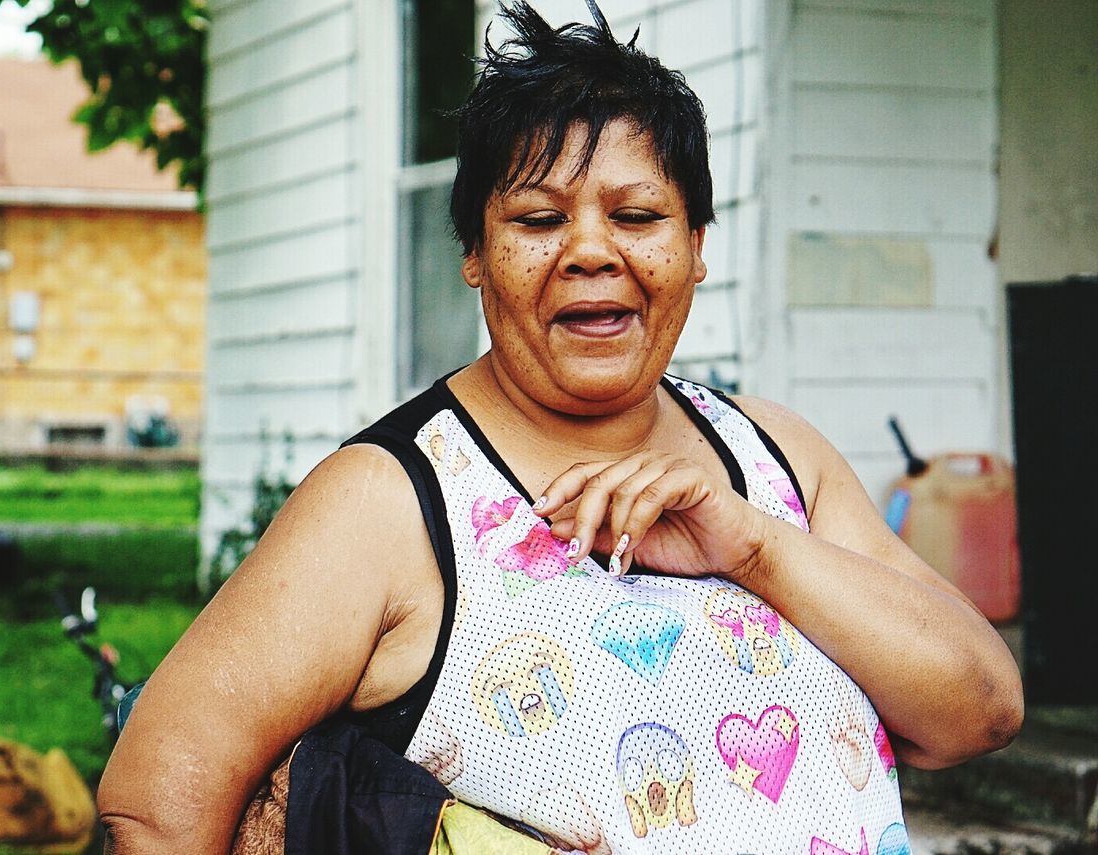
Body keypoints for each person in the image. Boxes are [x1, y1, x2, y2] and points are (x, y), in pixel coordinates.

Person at [97, 3, 1023, 852]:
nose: (590, 252)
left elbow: (979, 709)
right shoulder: (390, 503)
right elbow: (153, 808)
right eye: (539, 218)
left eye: (638, 215)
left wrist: (752, 549)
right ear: (474, 252)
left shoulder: (775, 458)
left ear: (697, 248)